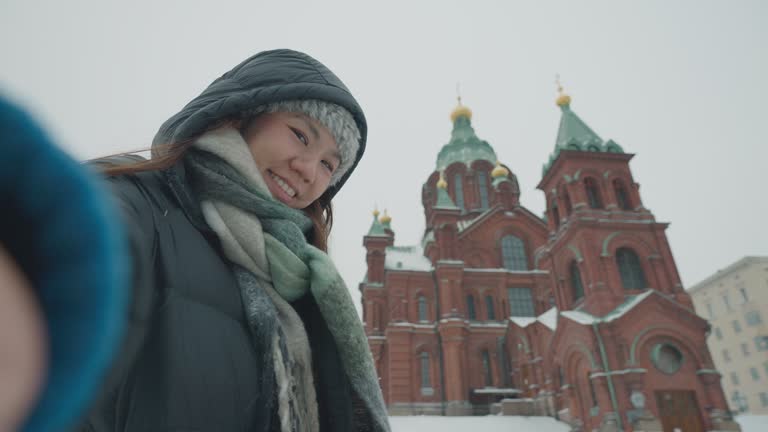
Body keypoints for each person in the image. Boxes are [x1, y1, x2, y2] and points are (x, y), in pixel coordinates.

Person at [3, 49, 389, 431]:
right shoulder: (140, 208)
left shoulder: (300, 276)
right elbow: (57, 254)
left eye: (328, 164)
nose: (308, 171)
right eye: (300, 135)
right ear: (240, 117)